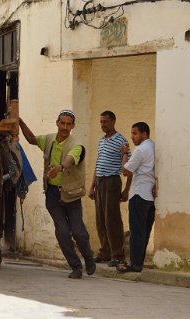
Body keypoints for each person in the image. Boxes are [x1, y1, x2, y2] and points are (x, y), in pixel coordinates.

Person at [19, 110, 96, 279]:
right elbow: (32, 140)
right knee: (62, 231)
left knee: (78, 231)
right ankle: (75, 266)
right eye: (63, 123)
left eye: (69, 124)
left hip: (72, 194)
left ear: (73, 126)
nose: (65, 127)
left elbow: (70, 159)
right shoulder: (49, 140)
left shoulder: (76, 145)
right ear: (57, 123)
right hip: (53, 194)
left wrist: (60, 167)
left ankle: (88, 257)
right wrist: (20, 122)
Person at [89, 110, 132, 267]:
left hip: (112, 182)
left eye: (105, 122)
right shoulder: (101, 141)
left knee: (111, 219)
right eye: (101, 122)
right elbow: (98, 163)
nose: (102, 124)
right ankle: (105, 252)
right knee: (100, 219)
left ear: (113, 122)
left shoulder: (122, 141)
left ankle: (118, 254)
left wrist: (126, 190)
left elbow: (129, 167)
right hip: (100, 181)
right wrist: (92, 185)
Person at [117, 122, 156, 272]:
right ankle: (138, 263)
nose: (132, 137)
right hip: (150, 197)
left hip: (139, 194)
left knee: (136, 231)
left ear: (144, 134)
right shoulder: (153, 146)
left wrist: (125, 154)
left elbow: (126, 171)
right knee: (144, 231)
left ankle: (134, 264)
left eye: (135, 133)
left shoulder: (140, 150)